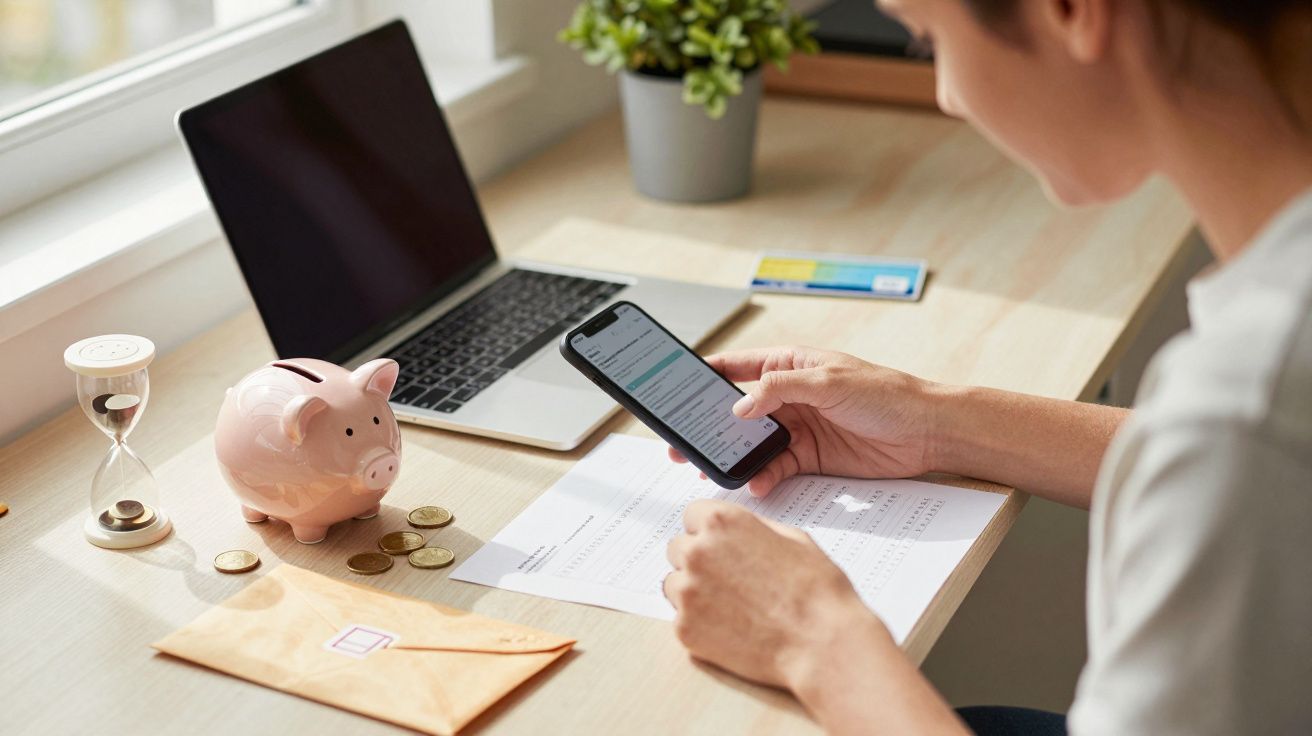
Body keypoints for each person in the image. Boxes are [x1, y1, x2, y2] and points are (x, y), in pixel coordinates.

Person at [660, 0, 1312, 733]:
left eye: (930, 37)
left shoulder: (1248, 401)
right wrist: (935, 422)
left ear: (1072, 13)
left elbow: (1242, 451)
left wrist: (811, 636)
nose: (946, 93)